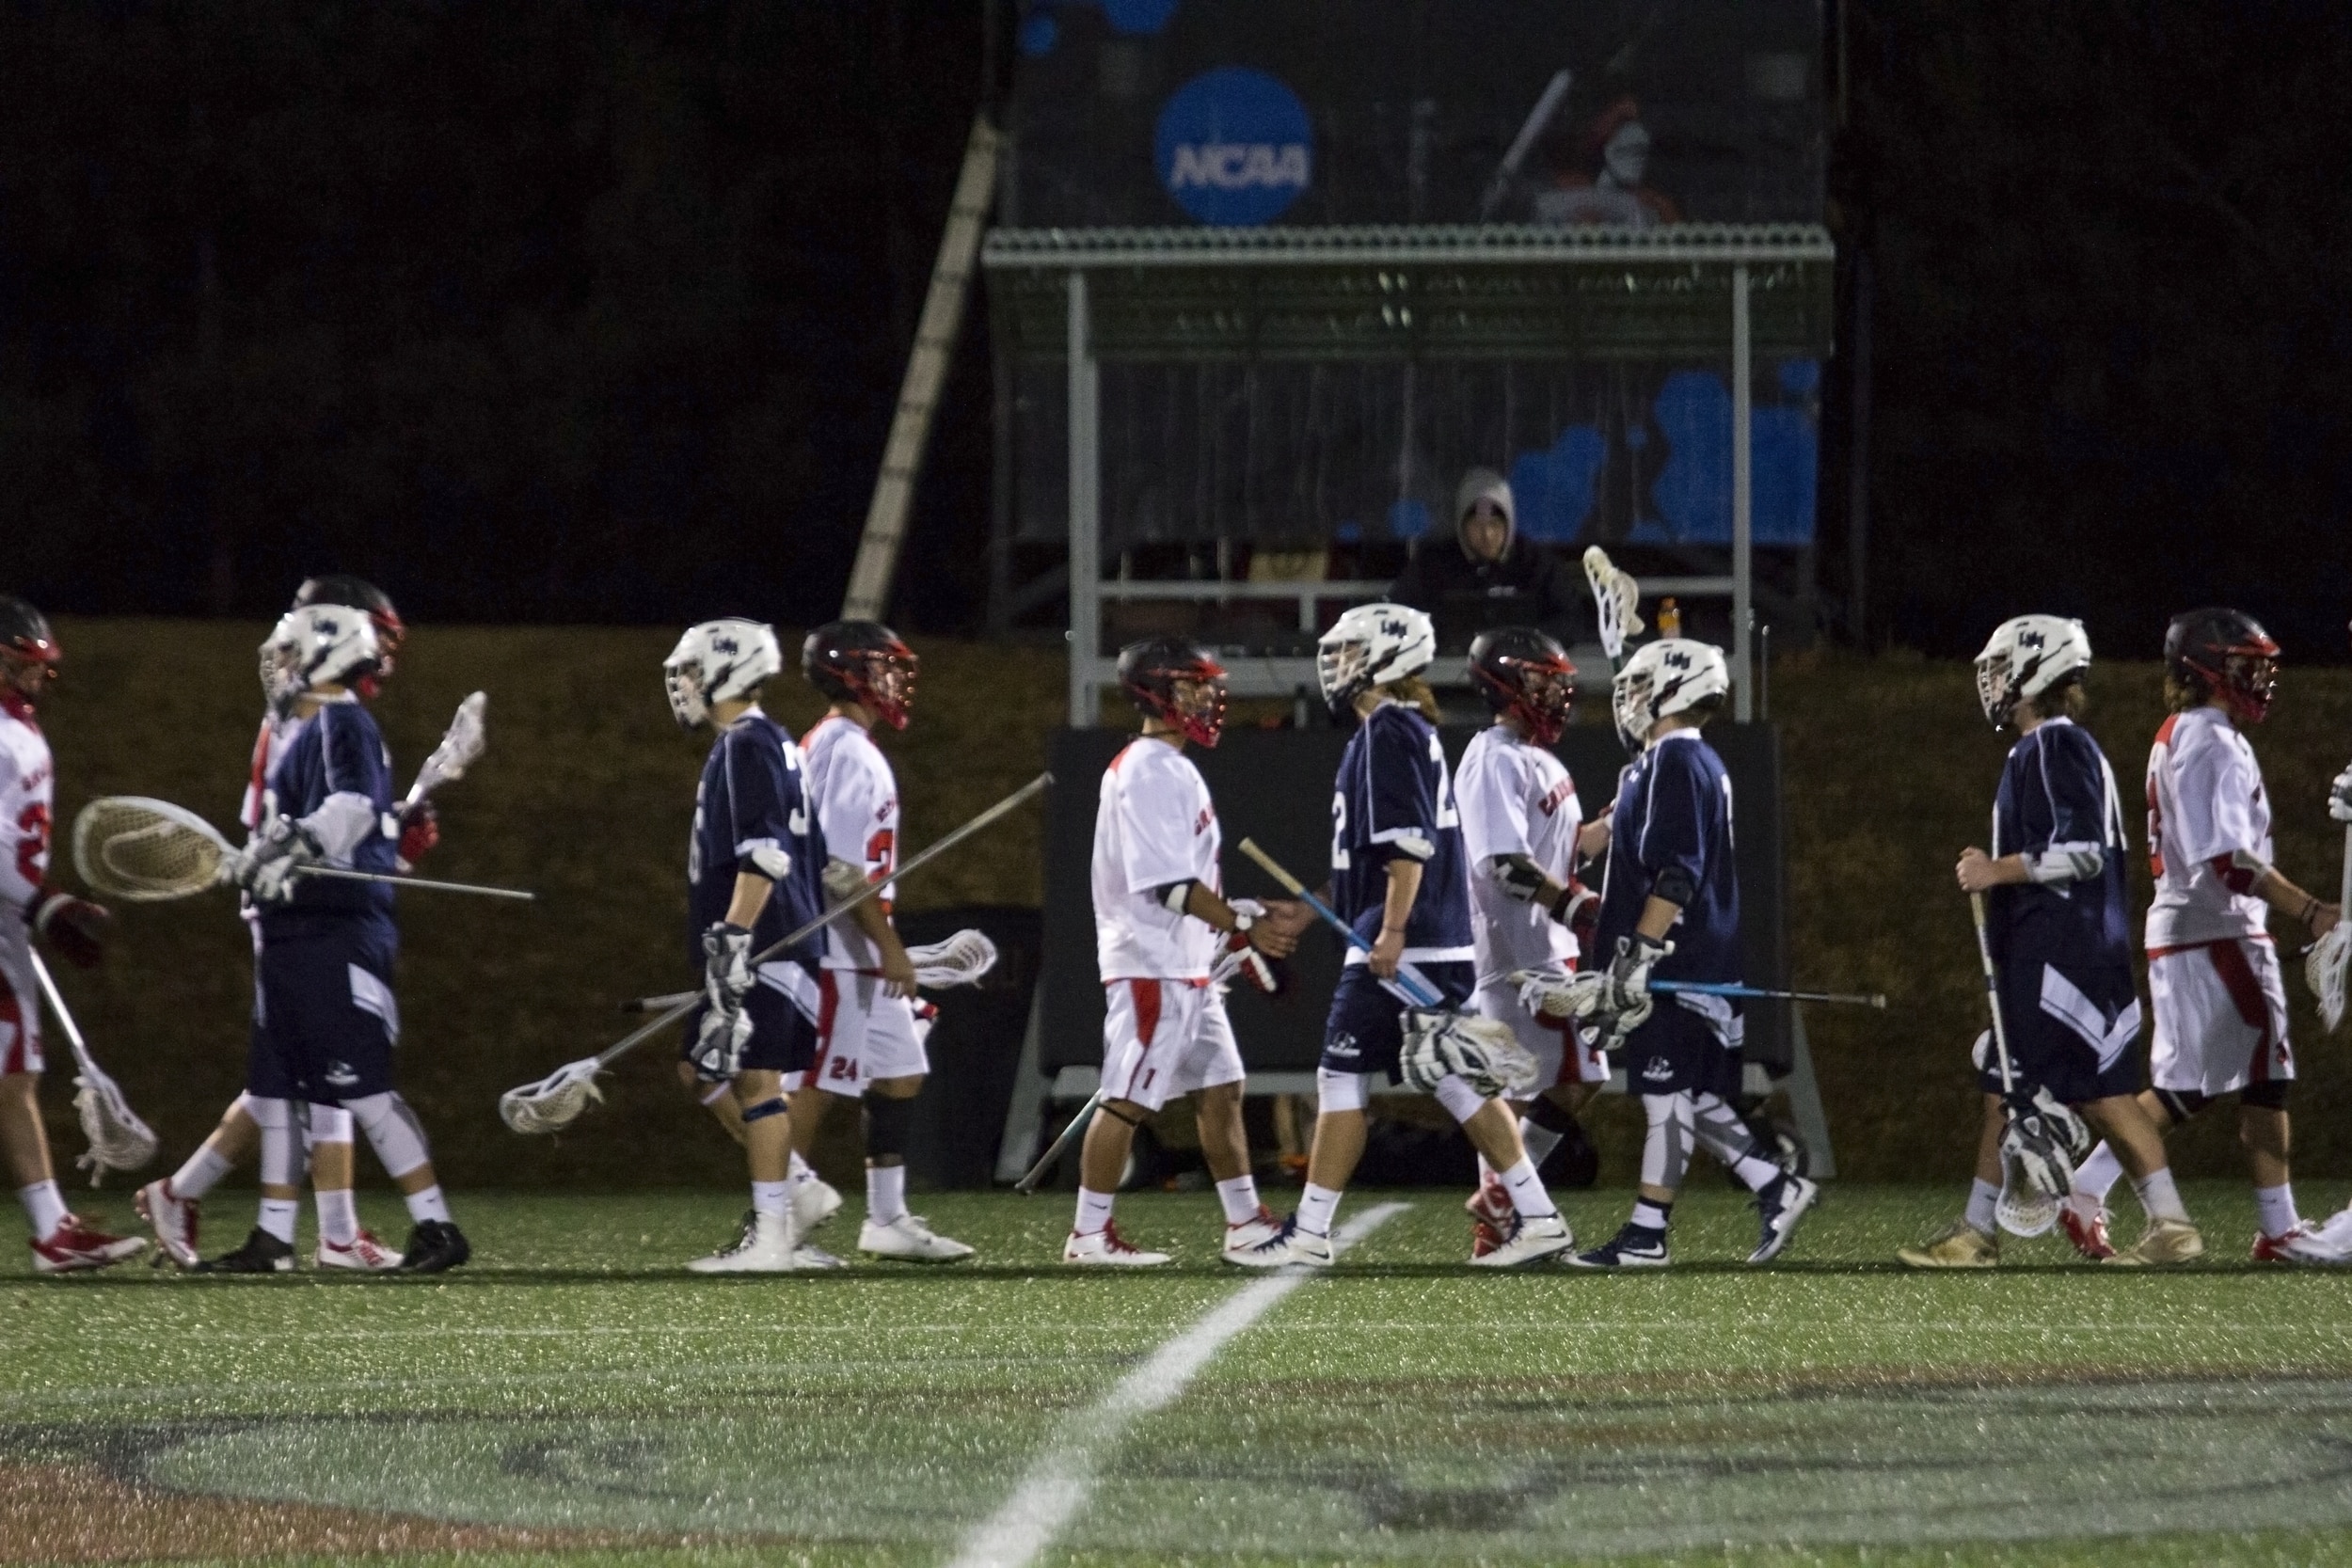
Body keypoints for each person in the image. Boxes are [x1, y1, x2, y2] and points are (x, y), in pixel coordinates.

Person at [1237, 603, 1574, 1270]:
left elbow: (1407, 850)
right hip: (1419, 937)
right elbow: (1378, 859)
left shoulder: (1388, 730)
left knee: (1341, 1078)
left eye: (1350, 651)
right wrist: (1314, 910)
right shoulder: (1397, 729)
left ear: (1388, 657)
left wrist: (1389, 930)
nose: (1335, 665)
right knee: (1457, 1085)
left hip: (1406, 942)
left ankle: (1309, 1231)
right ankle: (1539, 1216)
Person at [140, 576, 434, 1271]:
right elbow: (304, 821)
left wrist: (390, 837)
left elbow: (342, 817)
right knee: (307, 1071)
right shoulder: (314, 712)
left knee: (299, 1073)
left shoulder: (319, 708)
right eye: (381, 637)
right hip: (294, 904)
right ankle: (307, 1226)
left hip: (298, 897)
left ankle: (317, 1226)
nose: (386, 655)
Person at [1898, 616, 2197, 1268]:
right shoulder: (2054, 748)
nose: (1995, 681)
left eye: (2004, 666)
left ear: (2038, 670)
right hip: (2084, 943)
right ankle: (2171, 1223)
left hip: (2062, 947)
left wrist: (1994, 870)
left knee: (2015, 1085)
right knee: (2102, 1091)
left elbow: (2082, 851)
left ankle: (1977, 1233)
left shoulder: (2054, 747)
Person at [2057, 609, 2339, 1264]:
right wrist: (2310, 909)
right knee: (2263, 1071)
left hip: (2190, 927)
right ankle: (2280, 1227)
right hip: (2217, 928)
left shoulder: (2181, 732)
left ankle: (2085, 1189)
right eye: (2245, 664)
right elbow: (2228, 857)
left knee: (2192, 1083)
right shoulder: (2210, 738)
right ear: (2206, 668)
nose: (2259, 677)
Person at [1528, 637, 1818, 1269]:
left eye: (1637, 686)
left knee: (1665, 1098)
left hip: (1676, 960)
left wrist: (1638, 953)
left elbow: (1677, 874)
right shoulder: (1661, 765)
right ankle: (1777, 1185)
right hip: (1684, 956)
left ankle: (1647, 1234)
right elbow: (1603, 842)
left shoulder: (1678, 763)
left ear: (1670, 691)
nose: (1625, 699)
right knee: (1690, 1097)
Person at [197, 602, 469, 1273]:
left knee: (364, 1087)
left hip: (337, 929)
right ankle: (274, 1236)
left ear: (323, 654)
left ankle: (437, 1225)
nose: (280, 666)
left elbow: (352, 807)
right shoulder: (299, 728)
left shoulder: (344, 719)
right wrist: (261, 856)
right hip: (296, 926)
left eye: (290, 653)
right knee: (281, 1088)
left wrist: (296, 840)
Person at [1065, 638, 1309, 1266]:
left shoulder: (1169, 764)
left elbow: (1188, 878)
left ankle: (1245, 1221)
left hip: (1184, 963)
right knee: (1127, 1096)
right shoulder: (1147, 767)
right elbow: (1168, 884)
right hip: (1151, 961)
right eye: (1190, 685)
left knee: (1223, 1086)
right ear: (1156, 692)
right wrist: (1241, 926)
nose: (1205, 696)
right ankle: (1089, 1234)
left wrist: (1236, 920)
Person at [793, 620, 973, 1263]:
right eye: (885, 668)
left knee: (900, 1072)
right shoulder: (843, 748)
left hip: (859, 950)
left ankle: (886, 1218)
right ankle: (776, 1221)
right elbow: (840, 868)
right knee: (816, 1083)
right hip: (840, 952)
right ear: (851, 673)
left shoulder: (843, 744)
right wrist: (891, 945)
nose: (897, 681)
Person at [665, 617, 832, 1273]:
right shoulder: (770, 740)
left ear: (723, 670)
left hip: (765, 939)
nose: (682, 684)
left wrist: (733, 937)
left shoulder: (746, 742)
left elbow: (765, 852)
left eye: (690, 670)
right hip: (781, 938)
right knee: (710, 1067)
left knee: (757, 1079)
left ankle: (773, 1234)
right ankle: (795, 1193)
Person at [1453, 627, 1609, 1257]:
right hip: (1519, 952)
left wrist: (1616, 821)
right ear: (1505, 684)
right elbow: (1506, 862)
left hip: (1547, 944)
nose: (1556, 693)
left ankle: (1500, 1215)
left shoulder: (1540, 758)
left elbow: (1561, 851)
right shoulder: (1493, 757)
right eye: (1542, 680)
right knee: (1546, 1084)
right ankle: (1500, 1207)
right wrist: (1572, 902)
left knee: (1553, 1083)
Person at [0, 597, 140, 1274]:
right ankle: (52, 1228)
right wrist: (45, 904)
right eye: (31, 667)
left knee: (14, 1073)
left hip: (7, 918)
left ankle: (53, 1226)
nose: (39, 681)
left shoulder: (17, 731)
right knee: (13, 1073)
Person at [1389, 470, 1586, 655]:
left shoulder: (1535, 563)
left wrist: (1526, 643)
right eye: (1477, 525)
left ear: (1509, 523)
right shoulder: (1433, 564)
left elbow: (1570, 619)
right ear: (1462, 525)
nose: (1487, 535)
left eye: (1495, 525)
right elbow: (1398, 614)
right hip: (1447, 678)